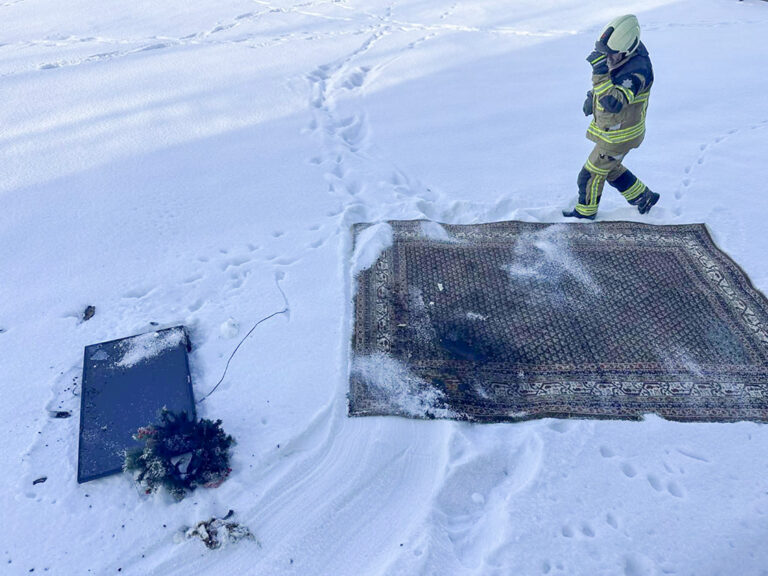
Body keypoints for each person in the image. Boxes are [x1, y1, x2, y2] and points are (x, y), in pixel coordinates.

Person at [563, 14, 659, 220]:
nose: (607, 59)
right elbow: (609, 82)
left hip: (620, 136)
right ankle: (643, 197)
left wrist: (599, 72)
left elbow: (613, 102)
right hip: (614, 131)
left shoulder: (638, 72)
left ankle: (585, 214)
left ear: (627, 50)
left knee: (589, 175)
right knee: (611, 169)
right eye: (604, 53)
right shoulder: (622, 55)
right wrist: (592, 96)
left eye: (611, 55)